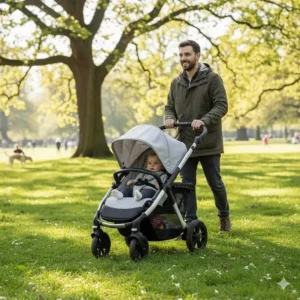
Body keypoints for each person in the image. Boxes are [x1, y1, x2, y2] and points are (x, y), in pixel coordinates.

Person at [164, 40, 231, 233]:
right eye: (181, 55)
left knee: (215, 184)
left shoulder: (212, 79)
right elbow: (169, 106)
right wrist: (169, 118)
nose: (183, 58)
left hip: (207, 141)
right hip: (185, 143)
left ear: (198, 55)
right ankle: (190, 224)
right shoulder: (176, 82)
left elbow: (221, 105)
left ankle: (224, 217)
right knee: (187, 186)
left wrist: (203, 120)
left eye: (187, 54)